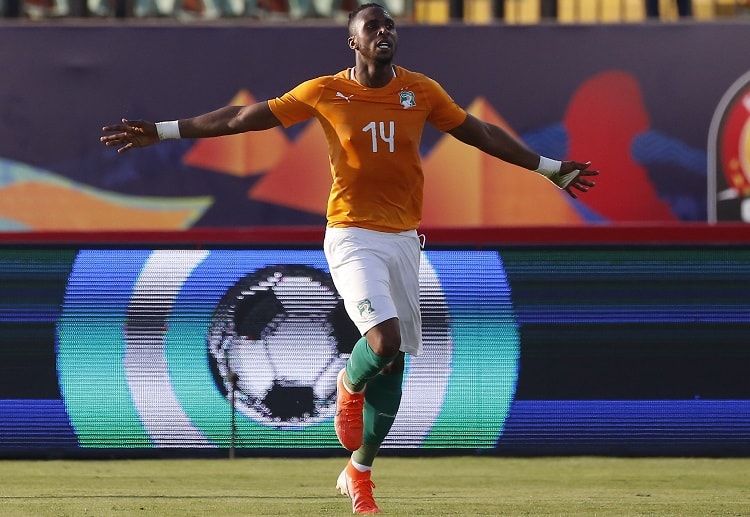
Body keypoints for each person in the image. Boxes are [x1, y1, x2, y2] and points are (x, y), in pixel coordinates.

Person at [101, 3, 598, 513]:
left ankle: (359, 473)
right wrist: (162, 131)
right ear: (353, 42)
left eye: (390, 24)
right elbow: (242, 118)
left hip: (404, 238)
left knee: (395, 364)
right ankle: (346, 382)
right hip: (351, 235)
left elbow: (482, 133)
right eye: (372, 26)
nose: (384, 31)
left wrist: (548, 167)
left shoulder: (420, 91)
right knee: (382, 340)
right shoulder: (325, 92)